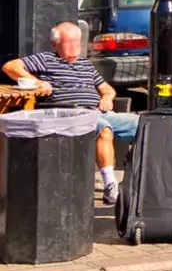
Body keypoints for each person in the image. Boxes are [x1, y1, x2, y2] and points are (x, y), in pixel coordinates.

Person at [4, 22, 140, 204]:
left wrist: (107, 97)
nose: (75, 46)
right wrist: (37, 82)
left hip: (100, 112)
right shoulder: (46, 59)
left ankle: (144, 180)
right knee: (104, 129)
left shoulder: (86, 64)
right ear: (55, 45)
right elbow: (10, 66)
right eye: (68, 42)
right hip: (72, 116)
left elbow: (107, 89)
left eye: (77, 41)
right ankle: (110, 187)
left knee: (145, 124)